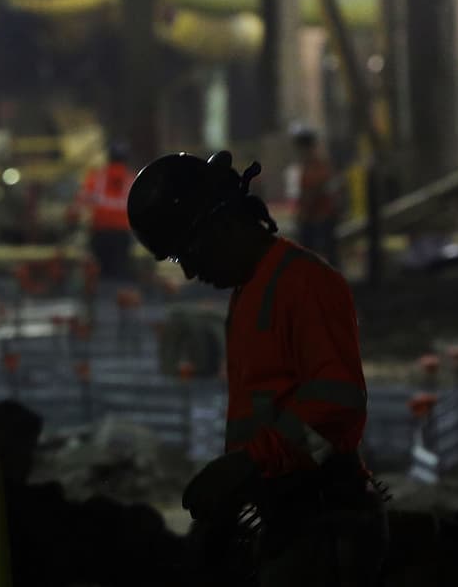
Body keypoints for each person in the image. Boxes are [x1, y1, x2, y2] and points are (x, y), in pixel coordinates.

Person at [127, 150, 388, 587]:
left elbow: (339, 403)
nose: (190, 271)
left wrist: (248, 465)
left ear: (225, 224)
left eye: (188, 252)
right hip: (288, 517)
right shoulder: (251, 291)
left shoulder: (305, 283)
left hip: (326, 524)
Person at [74, 141, 134, 280]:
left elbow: (79, 203)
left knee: (101, 275)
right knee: (120, 273)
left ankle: (101, 297)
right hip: (122, 236)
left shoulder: (96, 178)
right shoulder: (131, 179)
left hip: (100, 234)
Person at [289, 126, 340, 265]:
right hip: (311, 219)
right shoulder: (306, 167)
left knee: (324, 256)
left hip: (320, 219)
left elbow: (316, 190)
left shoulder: (318, 166)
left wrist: (303, 211)